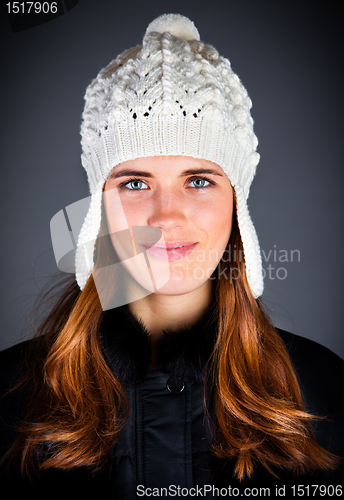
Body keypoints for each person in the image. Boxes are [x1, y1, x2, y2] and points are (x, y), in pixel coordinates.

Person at [0, 13, 343, 498]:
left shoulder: (323, 390)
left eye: (198, 181)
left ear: (237, 200)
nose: (167, 217)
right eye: (135, 183)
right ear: (101, 203)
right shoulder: (11, 394)